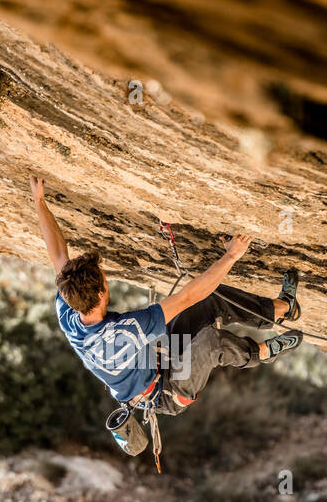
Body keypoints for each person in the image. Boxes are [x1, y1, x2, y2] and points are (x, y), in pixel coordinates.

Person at [32, 175, 302, 417]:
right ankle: (262, 352)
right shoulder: (127, 330)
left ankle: (282, 308)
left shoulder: (70, 314)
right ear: (102, 293)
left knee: (210, 298)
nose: (107, 277)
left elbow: (58, 255)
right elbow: (186, 296)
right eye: (105, 277)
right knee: (211, 342)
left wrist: (40, 202)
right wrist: (231, 256)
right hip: (167, 390)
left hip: (158, 358)